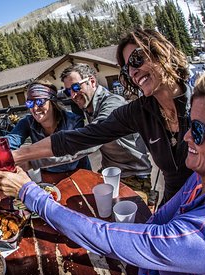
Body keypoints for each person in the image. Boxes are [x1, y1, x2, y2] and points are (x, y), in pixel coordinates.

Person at [0, 69, 205, 275]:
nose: (185, 136)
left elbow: (109, 237)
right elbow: (153, 227)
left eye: (196, 129)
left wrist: (29, 193)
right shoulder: (202, 179)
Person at [13, 29, 192, 204]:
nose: (132, 72)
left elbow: (87, 140)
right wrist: (16, 155)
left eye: (137, 59)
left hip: (136, 178)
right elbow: (76, 138)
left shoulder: (114, 104)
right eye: (126, 68)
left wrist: (26, 159)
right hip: (121, 179)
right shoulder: (136, 109)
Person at [6, 80, 91, 173]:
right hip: (49, 177)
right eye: (30, 103)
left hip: (79, 173)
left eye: (40, 101)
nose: (34, 108)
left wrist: (30, 161)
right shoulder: (27, 122)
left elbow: (69, 162)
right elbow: (9, 141)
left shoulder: (74, 121)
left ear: (53, 102)